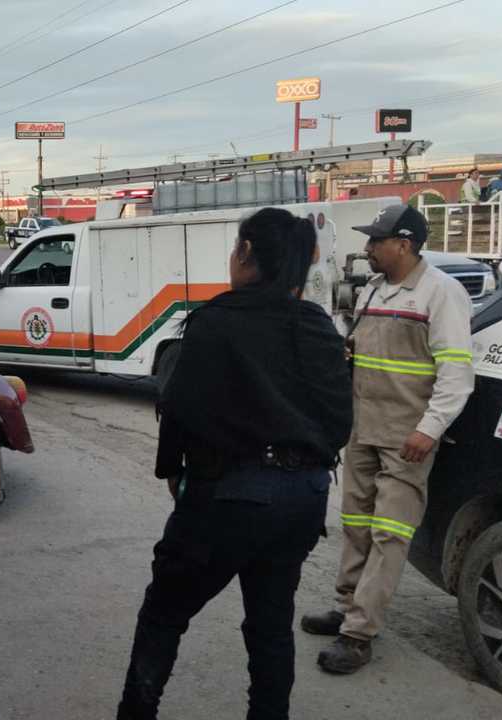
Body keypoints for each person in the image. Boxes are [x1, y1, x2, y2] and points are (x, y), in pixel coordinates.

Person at [117, 208, 353, 720]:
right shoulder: (316, 325)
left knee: (164, 613)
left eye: (234, 248)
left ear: (245, 253)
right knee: (271, 625)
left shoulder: (216, 321)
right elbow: (340, 421)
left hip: (230, 497)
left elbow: (179, 410)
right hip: (304, 499)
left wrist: (177, 474)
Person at [302, 205, 473, 674]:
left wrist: (428, 430)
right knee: (356, 526)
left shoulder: (441, 293)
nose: (368, 248)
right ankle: (348, 607)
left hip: (406, 438)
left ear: (404, 244)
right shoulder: (375, 288)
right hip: (363, 429)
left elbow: (457, 374)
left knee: (388, 535)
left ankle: (359, 634)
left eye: (376, 240)